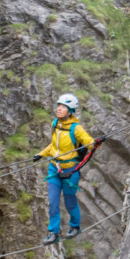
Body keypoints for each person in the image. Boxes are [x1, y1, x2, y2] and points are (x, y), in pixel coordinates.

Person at [33, 90, 94, 245]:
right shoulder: (55, 124)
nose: (59, 108)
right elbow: (54, 146)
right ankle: (54, 232)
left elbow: (88, 141)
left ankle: (75, 226)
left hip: (70, 170)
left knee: (69, 201)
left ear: (70, 110)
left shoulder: (76, 128)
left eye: (63, 106)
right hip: (54, 167)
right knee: (53, 202)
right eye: (58, 105)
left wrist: (95, 143)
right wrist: (41, 154)